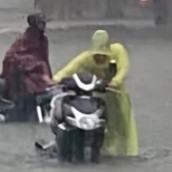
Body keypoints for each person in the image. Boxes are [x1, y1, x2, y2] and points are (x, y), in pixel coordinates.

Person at [51, 29, 138, 157]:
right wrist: (55, 79)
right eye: (97, 55)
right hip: (99, 97)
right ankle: (102, 150)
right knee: (103, 124)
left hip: (118, 96)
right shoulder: (87, 57)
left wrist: (115, 81)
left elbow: (123, 68)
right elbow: (72, 67)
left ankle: (128, 153)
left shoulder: (118, 51)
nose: (100, 58)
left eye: (103, 55)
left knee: (123, 127)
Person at [0, 13, 53, 101]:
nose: (44, 25)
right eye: (41, 23)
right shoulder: (25, 38)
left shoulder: (43, 40)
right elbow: (11, 56)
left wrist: (48, 75)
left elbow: (44, 58)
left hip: (37, 71)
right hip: (22, 71)